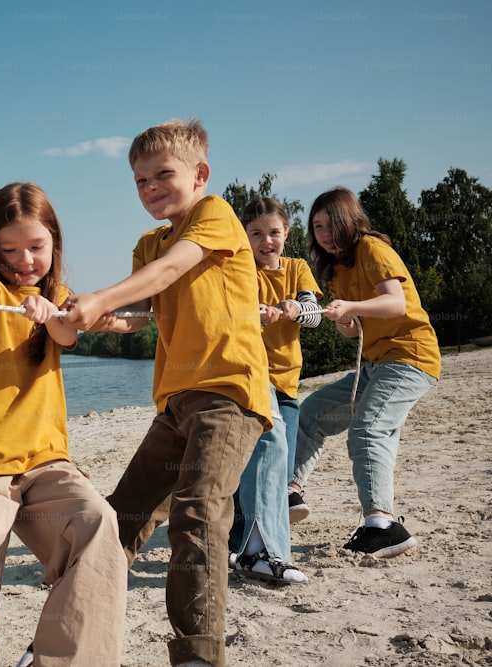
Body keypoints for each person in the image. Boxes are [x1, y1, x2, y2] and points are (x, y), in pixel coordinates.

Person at [63, 119, 272, 667]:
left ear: (200, 174)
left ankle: (198, 654)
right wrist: (89, 314)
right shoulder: (147, 242)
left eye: (163, 174)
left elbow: (171, 269)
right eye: (139, 180)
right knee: (119, 518)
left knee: (198, 511)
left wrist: (103, 296)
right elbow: (137, 315)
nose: (150, 187)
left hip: (228, 395)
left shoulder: (215, 215)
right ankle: (73, 629)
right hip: (174, 404)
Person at [0, 182, 126, 667]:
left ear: (54, 244)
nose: (24, 259)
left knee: (98, 524)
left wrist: (47, 311)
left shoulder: (62, 300)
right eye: (10, 249)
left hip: (45, 465)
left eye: (36, 247)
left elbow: (68, 331)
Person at [290, 186, 440, 558]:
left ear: (349, 221)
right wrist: (346, 319)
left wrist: (353, 305)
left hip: (409, 357)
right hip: (374, 363)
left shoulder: (373, 249)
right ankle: (288, 493)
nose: (323, 233)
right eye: (317, 226)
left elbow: (395, 302)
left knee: (369, 429)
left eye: (330, 224)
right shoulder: (336, 268)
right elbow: (355, 326)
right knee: (312, 413)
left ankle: (382, 525)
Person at [228, 197, 322, 584]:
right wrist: (258, 314)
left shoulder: (298, 269)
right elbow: (231, 314)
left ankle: (253, 544)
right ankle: (251, 546)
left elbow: (315, 315)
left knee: (276, 469)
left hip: (288, 382)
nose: (266, 241)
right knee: (258, 458)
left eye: (274, 233)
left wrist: (297, 308)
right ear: (244, 236)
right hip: (252, 379)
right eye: (256, 234)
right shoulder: (242, 271)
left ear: (287, 234)